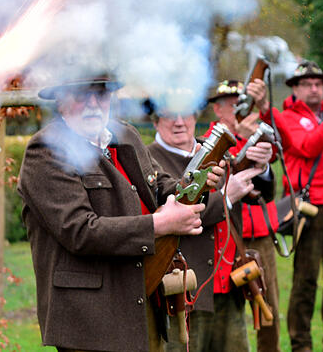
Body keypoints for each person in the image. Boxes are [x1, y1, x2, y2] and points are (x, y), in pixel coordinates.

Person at [17, 75, 225, 352]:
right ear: (62, 101)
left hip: (142, 296)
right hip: (90, 318)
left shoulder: (125, 135)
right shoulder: (47, 150)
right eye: (82, 95)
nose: (94, 104)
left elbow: (160, 186)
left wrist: (197, 179)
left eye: (101, 94)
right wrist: (159, 224)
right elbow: (80, 231)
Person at [251, 59, 323, 352]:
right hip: (312, 207)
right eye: (307, 84)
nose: (314, 89)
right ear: (295, 89)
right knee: (306, 281)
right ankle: (301, 345)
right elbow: (307, 147)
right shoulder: (288, 117)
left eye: (318, 84)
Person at [147, 107, 272, 352]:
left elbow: (261, 195)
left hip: (231, 283)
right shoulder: (148, 158)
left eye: (186, 113)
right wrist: (226, 197)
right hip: (181, 292)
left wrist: (262, 166)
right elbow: (177, 214)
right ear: (155, 121)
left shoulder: (215, 148)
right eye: (170, 114)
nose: (179, 122)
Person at [208, 80, 281, 351]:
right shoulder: (208, 140)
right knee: (225, 312)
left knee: (268, 306)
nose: (241, 110)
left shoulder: (257, 134)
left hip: (260, 233)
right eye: (233, 105)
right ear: (217, 109)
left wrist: (260, 153)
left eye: (244, 104)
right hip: (225, 236)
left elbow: (269, 182)